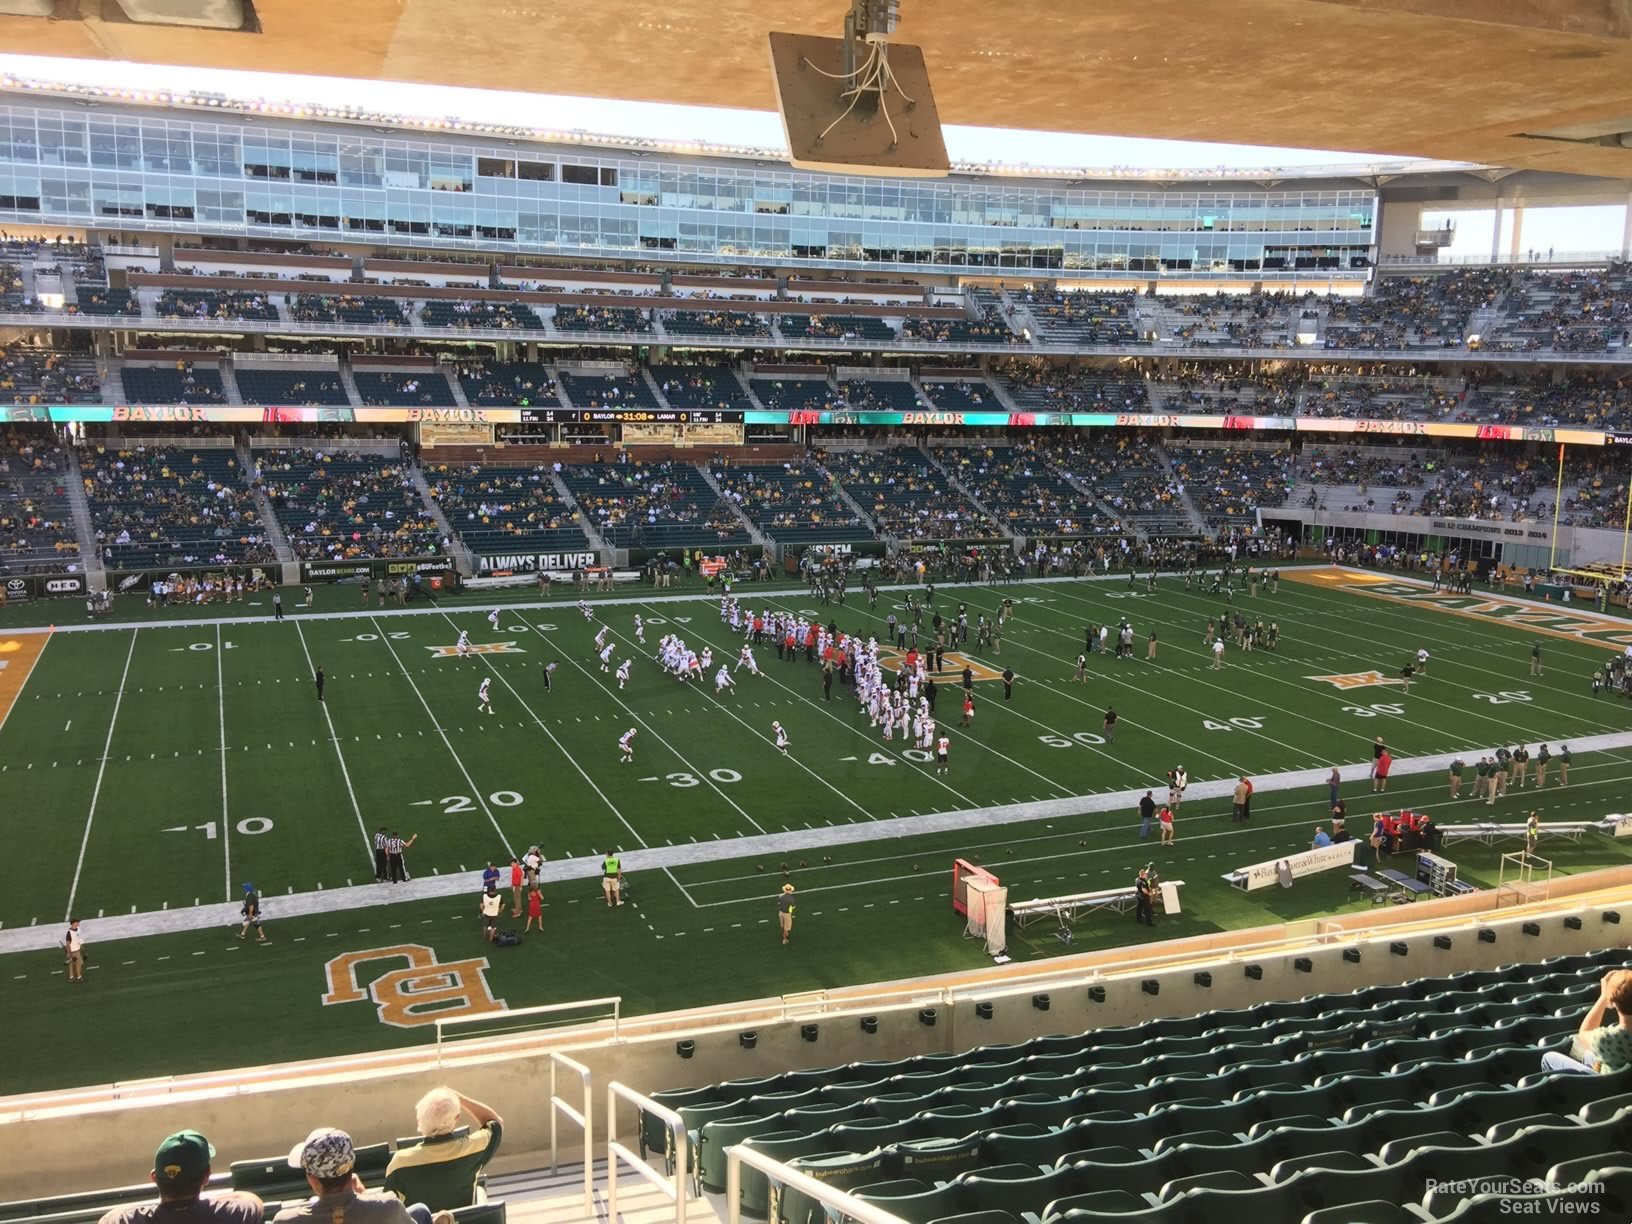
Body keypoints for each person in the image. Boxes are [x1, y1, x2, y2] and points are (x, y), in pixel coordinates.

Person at [98, 1131, 262, 1224]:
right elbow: (251, 1199)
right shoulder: (233, 1213)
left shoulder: (125, 1220)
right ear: (206, 1176)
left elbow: (108, 1218)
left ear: (154, 1177)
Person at [275, 1129, 433, 1224]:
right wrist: (366, 1197)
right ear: (351, 1167)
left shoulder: (285, 1220)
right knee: (420, 1211)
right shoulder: (389, 1207)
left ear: (312, 1178)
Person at [383, 1088, 504, 1212]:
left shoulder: (400, 1162)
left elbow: (388, 1211)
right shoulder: (473, 1148)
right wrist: (459, 1098)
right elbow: (496, 1122)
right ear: (457, 1118)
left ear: (419, 1120)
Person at [1540, 970, 1632, 1075]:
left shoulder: (1607, 1039)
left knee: (1548, 1058)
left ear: (1612, 1001)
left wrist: (1603, 997)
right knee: (1588, 1053)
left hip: (1608, 1087)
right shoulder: (1607, 1042)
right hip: (1626, 1084)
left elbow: (1584, 1033)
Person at [64, 917, 84, 985]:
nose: (78, 923)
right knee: (79, 963)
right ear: (73, 923)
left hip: (77, 949)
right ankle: (78, 977)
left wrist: (81, 945)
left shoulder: (78, 929)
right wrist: (68, 952)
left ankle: (71, 977)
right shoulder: (69, 933)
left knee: (72, 963)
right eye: (77, 922)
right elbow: (67, 944)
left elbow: (79, 937)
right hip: (73, 951)